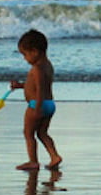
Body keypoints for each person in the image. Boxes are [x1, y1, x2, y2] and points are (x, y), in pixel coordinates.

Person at [11, 29, 63, 171]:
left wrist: (37, 107)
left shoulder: (36, 69)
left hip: (37, 104)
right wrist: (20, 85)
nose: (25, 59)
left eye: (25, 54)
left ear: (35, 51)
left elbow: (39, 89)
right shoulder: (48, 66)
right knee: (42, 133)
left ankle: (33, 161)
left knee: (28, 133)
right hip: (50, 104)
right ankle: (54, 156)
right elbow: (36, 86)